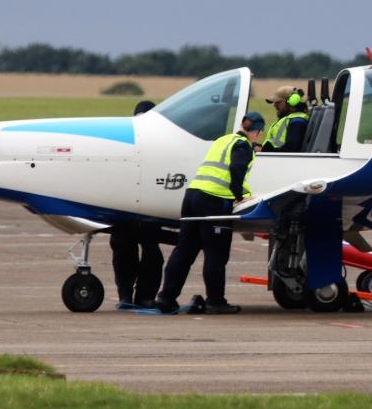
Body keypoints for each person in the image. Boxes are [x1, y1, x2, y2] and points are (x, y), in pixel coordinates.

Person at [155, 112, 265, 314]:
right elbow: (237, 168)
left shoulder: (223, 140)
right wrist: (239, 196)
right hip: (213, 200)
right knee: (216, 253)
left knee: (184, 250)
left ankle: (166, 298)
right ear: (257, 132)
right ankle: (215, 301)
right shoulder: (243, 146)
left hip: (192, 195)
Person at [110, 100, 164, 307]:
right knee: (123, 251)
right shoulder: (122, 144)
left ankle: (145, 297)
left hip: (150, 207)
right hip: (124, 208)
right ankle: (125, 295)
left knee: (152, 253)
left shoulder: (162, 145)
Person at [261, 86, 309, 153]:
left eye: (278, 102)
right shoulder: (291, 119)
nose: (274, 105)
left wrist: (265, 152)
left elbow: (291, 151)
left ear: (291, 101)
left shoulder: (297, 122)